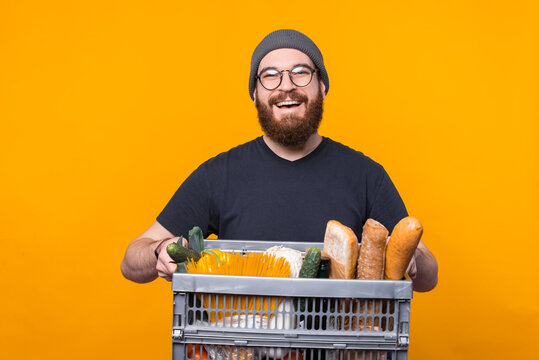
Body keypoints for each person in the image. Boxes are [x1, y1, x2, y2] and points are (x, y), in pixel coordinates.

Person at [121, 29, 438, 292]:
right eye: (270, 76)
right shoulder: (218, 175)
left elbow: (429, 276)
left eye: (301, 73)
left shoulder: (366, 175)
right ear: (255, 95)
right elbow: (131, 260)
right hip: (241, 344)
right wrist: (159, 251)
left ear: (322, 87)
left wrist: (413, 260)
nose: (286, 85)